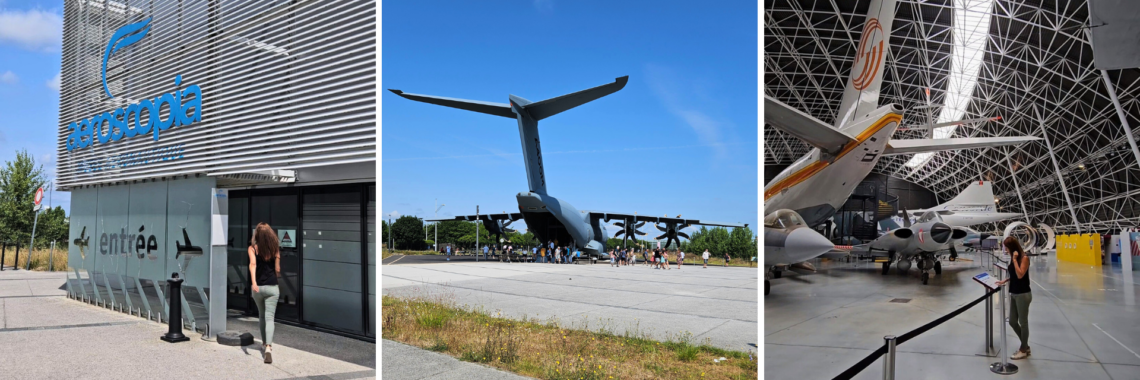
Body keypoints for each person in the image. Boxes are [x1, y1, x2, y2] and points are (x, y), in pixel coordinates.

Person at [247, 223, 281, 364]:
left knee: (261, 316)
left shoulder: (253, 248)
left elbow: (253, 264)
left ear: (257, 235)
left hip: (258, 288)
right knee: (269, 318)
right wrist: (275, 275)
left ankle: (263, 343)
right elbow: (278, 270)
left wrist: (254, 283)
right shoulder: (275, 249)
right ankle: (268, 347)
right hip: (272, 287)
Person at [995, 236, 1032, 359]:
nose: (1005, 250)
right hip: (1014, 293)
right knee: (1012, 321)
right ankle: (1025, 345)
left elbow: (1020, 274)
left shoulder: (1024, 258)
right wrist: (1005, 280)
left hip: (1023, 294)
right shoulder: (1013, 258)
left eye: (1007, 248)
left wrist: (1015, 260)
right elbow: (1014, 275)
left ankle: (1023, 349)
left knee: (1023, 322)